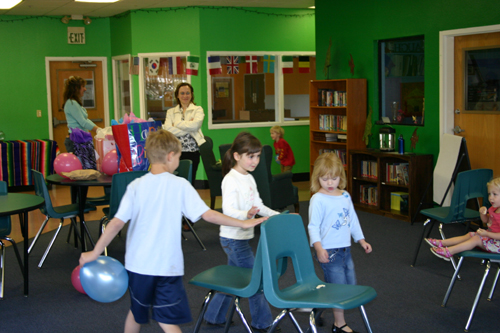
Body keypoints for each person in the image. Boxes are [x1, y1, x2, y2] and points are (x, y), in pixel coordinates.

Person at [79, 129, 267, 333]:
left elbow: (115, 223)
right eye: (178, 156)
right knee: (167, 319)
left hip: (138, 266)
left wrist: (95, 252)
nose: (178, 160)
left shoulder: (136, 186)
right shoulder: (180, 185)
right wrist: (242, 223)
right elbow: (209, 215)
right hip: (167, 267)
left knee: (136, 312)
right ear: (170, 156)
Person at [203, 132, 279, 333]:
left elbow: (258, 204)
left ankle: (213, 316)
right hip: (232, 239)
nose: (255, 161)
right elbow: (227, 211)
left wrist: (277, 215)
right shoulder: (231, 179)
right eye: (250, 156)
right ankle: (263, 323)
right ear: (237, 156)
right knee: (255, 280)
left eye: (258, 156)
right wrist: (246, 214)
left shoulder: (249, 178)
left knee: (234, 279)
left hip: (241, 238)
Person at [308, 153, 372, 333]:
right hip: (328, 251)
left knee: (350, 286)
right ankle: (339, 325)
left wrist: (361, 240)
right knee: (339, 289)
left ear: (340, 177)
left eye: (334, 179)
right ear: (317, 178)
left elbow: (352, 220)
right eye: (325, 179)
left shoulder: (344, 196)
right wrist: (318, 247)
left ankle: (317, 309)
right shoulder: (318, 199)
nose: (330, 183)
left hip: (345, 250)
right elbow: (313, 226)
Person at [427, 177, 500, 260]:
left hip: (497, 244)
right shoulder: (494, 208)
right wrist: (482, 214)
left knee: (476, 238)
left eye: (494, 194)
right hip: (491, 239)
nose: (490, 197)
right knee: (470, 234)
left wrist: (487, 234)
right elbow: (486, 221)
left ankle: (448, 252)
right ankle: (441, 243)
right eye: (489, 194)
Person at [163, 82, 205, 187]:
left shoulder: (198, 110)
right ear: (177, 95)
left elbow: (195, 126)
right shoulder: (171, 112)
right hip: (174, 151)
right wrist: (188, 126)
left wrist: (176, 124)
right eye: (182, 93)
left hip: (192, 151)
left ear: (191, 94)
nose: (185, 96)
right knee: (175, 182)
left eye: (187, 93)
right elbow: (168, 130)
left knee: (189, 182)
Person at [63, 76, 100, 153]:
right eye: (83, 87)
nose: (85, 89)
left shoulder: (75, 103)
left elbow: (85, 120)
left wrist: (99, 129)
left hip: (80, 139)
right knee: (81, 164)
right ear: (76, 88)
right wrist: (98, 130)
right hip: (75, 140)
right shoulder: (71, 103)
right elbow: (83, 122)